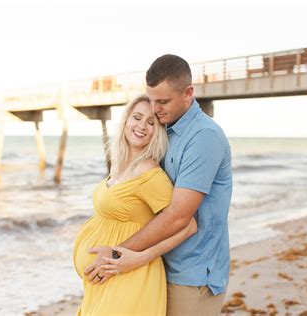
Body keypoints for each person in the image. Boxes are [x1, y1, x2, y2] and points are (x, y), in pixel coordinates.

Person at [86, 55, 233, 316]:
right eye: (151, 99)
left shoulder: (203, 138)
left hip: (192, 274)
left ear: (188, 93)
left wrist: (118, 254)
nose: (154, 108)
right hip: (159, 264)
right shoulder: (166, 130)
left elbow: (179, 217)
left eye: (162, 101)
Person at [73, 94, 198, 315]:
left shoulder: (148, 172)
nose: (142, 126)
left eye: (151, 122)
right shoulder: (119, 166)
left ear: (157, 131)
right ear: (126, 121)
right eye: (137, 117)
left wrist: (141, 257)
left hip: (130, 277)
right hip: (107, 278)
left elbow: (188, 225)